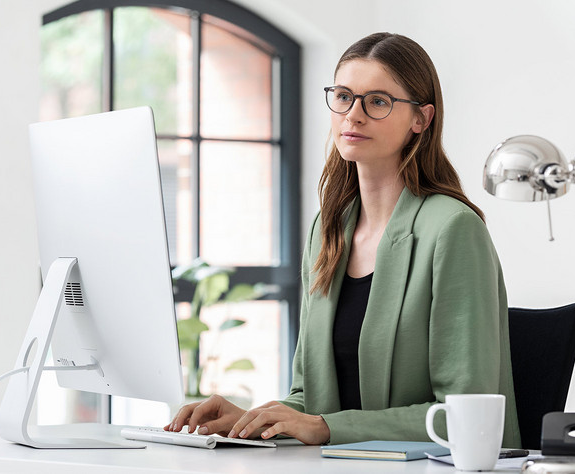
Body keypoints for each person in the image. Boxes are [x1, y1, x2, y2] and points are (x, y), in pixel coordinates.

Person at [165, 32, 521, 448]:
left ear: (420, 119)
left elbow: (464, 415)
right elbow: (310, 399)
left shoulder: (453, 230)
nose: (354, 115)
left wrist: (328, 428)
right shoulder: (328, 229)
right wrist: (250, 421)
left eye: (378, 101)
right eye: (344, 96)